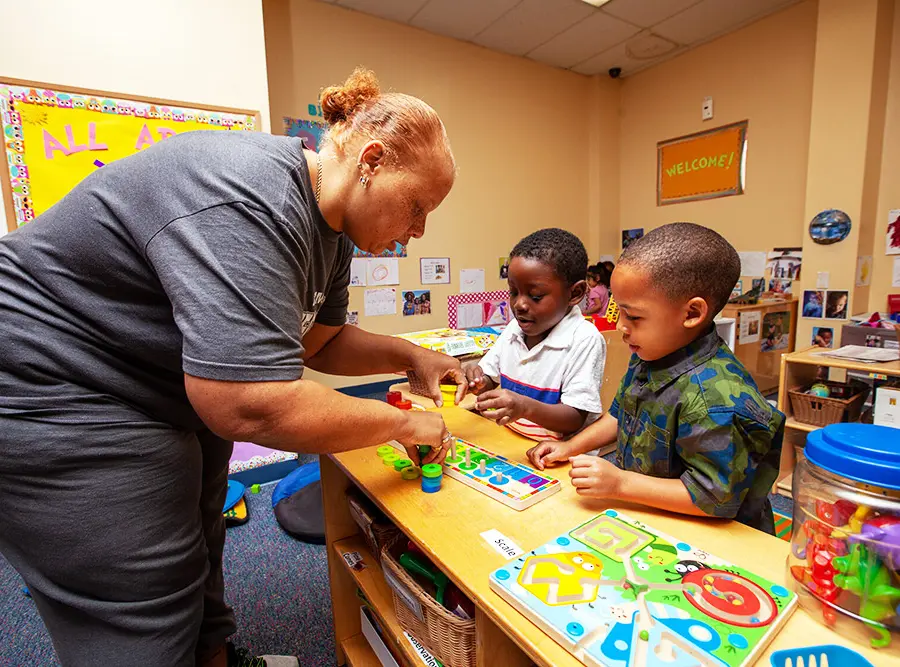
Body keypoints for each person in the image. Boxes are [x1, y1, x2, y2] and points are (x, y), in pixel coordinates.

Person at [0, 68, 465, 667]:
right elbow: (250, 402)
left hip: (153, 385)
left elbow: (317, 344)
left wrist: (411, 356)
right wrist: (403, 425)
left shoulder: (332, 233)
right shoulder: (251, 195)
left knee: (201, 531)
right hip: (50, 383)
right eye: (417, 206)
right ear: (371, 161)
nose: (418, 231)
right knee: (140, 599)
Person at [527, 223, 784, 534]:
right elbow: (621, 415)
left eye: (633, 316)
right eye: (617, 311)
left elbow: (711, 496)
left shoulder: (716, 398)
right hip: (650, 517)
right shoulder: (650, 353)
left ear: (691, 313)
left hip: (712, 539)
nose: (621, 326)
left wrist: (621, 483)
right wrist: (570, 448)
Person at [464, 229, 606, 442]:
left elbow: (574, 417)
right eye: (513, 292)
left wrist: (524, 407)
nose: (519, 304)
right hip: (514, 443)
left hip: (560, 457)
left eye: (535, 296)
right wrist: (478, 381)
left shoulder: (584, 339)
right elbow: (490, 379)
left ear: (575, 294)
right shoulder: (514, 329)